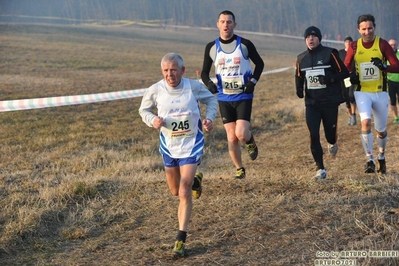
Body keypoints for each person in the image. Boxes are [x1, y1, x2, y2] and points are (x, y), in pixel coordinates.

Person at [138, 53, 218, 257]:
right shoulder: (155, 90)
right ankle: (196, 182)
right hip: (169, 147)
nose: (169, 74)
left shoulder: (193, 86)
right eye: (165, 70)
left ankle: (180, 240)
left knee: (184, 191)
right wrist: (152, 120)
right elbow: (143, 110)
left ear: (182, 70)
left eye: (173, 70)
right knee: (175, 191)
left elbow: (211, 101)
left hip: (191, 144)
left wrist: (209, 119)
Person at [201, 10, 264, 179]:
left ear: (234, 25)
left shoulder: (245, 44)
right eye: (222, 22)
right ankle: (239, 168)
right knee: (231, 136)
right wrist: (209, 85)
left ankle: (250, 141)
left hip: (243, 96)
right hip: (224, 97)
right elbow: (204, 73)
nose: (226, 25)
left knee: (241, 134)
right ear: (218, 24)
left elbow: (260, 64)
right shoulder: (212, 47)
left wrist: (253, 83)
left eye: (229, 22)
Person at [344, 14, 399, 174]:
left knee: (381, 130)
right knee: (365, 122)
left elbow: (396, 65)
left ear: (374, 27)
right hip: (362, 92)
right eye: (364, 29)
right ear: (358, 30)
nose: (367, 32)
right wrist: (350, 78)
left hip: (380, 92)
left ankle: (381, 156)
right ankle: (370, 159)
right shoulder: (354, 46)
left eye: (370, 28)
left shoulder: (382, 44)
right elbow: (345, 68)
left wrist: (384, 67)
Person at [295, 26, 349, 179]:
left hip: (329, 102)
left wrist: (330, 79)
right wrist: (299, 89)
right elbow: (299, 76)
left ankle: (332, 142)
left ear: (319, 38)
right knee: (313, 134)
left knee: (330, 135)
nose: (310, 39)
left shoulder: (330, 53)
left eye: (313, 36)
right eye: (308, 37)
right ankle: (320, 169)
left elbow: (344, 72)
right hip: (311, 103)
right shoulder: (301, 58)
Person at [339, 36, 357, 126]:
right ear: (344, 43)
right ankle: (350, 116)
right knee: (346, 97)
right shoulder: (340, 53)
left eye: (350, 42)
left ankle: (353, 115)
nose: (348, 44)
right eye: (346, 42)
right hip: (343, 78)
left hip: (352, 76)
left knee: (351, 95)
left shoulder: (355, 53)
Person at [387, 39, 399, 123]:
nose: (393, 46)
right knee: (393, 100)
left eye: (394, 45)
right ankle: (396, 117)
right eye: (391, 45)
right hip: (390, 81)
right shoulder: (385, 56)